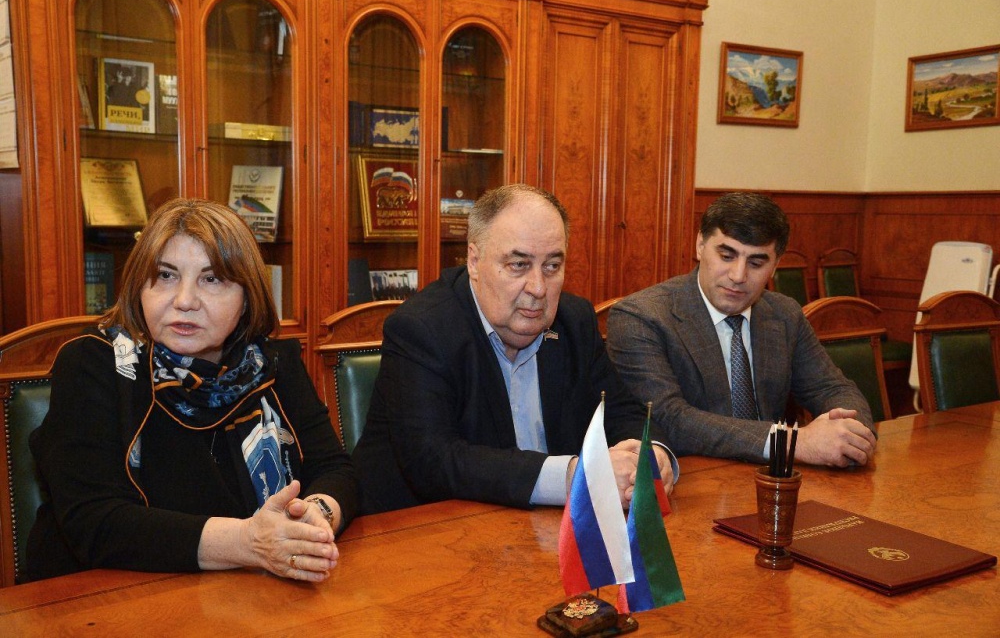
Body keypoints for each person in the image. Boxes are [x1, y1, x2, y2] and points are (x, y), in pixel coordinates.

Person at [27, 199, 358, 583]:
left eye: (212, 279)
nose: (184, 301)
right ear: (138, 287)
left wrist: (315, 515)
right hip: (105, 596)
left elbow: (336, 470)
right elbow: (94, 521)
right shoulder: (95, 364)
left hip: (248, 593)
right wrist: (248, 541)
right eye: (166, 275)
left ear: (247, 298)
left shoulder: (270, 363)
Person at [352, 184, 677, 515]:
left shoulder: (573, 320)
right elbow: (435, 461)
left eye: (552, 266)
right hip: (422, 528)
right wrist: (574, 477)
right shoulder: (421, 329)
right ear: (474, 261)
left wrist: (651, 454)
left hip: (546, 527)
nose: (538, 288)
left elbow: (622, 412)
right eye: (519, 264)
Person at [606, 192, 877, 467]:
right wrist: (790, 442)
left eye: (756, 263)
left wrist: (851, 435)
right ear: (700, 245)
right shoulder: (642, 317)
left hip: (773, 479)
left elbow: (832, 387)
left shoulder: (784, 314)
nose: (738, 275)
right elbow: (668, 419)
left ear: (775, 265)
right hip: (695, 479)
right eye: (726, 256)